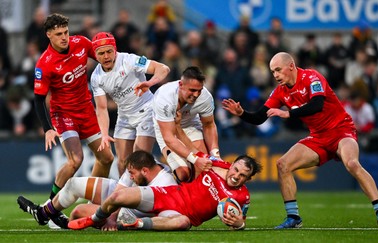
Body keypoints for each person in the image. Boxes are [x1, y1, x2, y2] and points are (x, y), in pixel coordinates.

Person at [222, 52, 378, 229]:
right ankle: (293, 217)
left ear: (291, 66)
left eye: (278, 70)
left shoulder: (312, 77)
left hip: (341, 130)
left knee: (351, 163)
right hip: (318, 137)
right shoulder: (280, 91)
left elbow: (317, 104)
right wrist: (241, 113)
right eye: (273, 72)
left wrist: (289, 113)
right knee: (282, 165)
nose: (276, 75)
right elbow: (259, 117)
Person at [17, 13, 114, 226]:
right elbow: (38, 99)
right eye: (59, 34)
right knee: (75, 160)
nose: (64, 37)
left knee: (107, 158)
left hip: (87, 111)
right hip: (64, 115)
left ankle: (91, 205)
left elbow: (102, 56)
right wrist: (48, 128)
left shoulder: (80, 43)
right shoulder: (45, 63)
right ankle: (50, 205)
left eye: (66, 32)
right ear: (49, 35)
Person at [68, 154, 261, 231]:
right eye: (236, 169)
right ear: (232, 164)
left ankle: (135, 224)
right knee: (119, 197)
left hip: (181, 214)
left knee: (184, 223)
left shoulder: (242, 197)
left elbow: (239, 221)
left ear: (248, 179)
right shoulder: (217, 164)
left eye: (243, 175)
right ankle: (96, 218)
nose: (237, 176)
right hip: (170, 194)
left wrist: (238, 224)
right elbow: (190, 151)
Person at [17, 150, 177, 230]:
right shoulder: (142, 164)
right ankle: (43, 214)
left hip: (130, 211)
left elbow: (169, 218)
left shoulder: (166, 185)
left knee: (78, 212)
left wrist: (118, 221)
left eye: (132, 174)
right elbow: (118, 194)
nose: (130, 176)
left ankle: (61, 222)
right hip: (120, 198)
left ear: (145, 171)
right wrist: (110, 217)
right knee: (73, 184)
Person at [90, 32, 170, 176]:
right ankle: (127, 196)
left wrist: (150, 83)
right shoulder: (96, 77)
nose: (106, 56)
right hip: (124, 116)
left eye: (109, 51)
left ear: (115, 50)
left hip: (146, 110)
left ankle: (166, 178)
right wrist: (104, 134)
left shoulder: (129, 60)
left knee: (139, 159)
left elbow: (163, 68)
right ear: (95, 55)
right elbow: (101, 108)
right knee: (122, 164)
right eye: (101, 53)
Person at [152, 66, 219, 183]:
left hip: (190, 124)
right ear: (180, 85)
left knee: (204, 170)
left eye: (200, 90)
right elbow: (169, 138)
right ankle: (161, 173)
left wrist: (215, 154)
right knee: (183, 174)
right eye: (192, 90)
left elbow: (209, 125)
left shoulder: (205, 98)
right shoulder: (164, 99)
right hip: (167, 128)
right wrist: (194, 159)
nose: (196, 94)